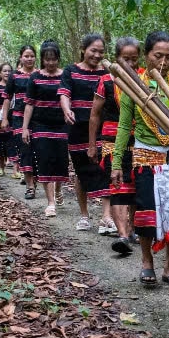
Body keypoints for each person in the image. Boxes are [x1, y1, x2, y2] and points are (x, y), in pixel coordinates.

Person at [113, 31, 169, 287]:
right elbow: (124, 127)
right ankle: (147, 263)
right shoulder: (133, 87)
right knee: (146, 212)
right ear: (146, 56)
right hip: (145, 157)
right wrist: (116, 163)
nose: (163, 62)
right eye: (158, 56)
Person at [91, 37, 139, 254]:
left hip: (139, 140)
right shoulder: (106, 81)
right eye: (124, 59)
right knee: (118, 185)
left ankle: (132, 230)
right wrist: (92, 144)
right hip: (112, 141)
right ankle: (122, 234)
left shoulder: (144, 80)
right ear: (117, 58)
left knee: (136, 186)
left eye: (133, 59)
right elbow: (95, 114)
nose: (129, 63)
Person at [60, 34, 111, 231]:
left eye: (101, 51)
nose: (97, 55)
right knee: (81, 171)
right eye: (93, 50)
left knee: (105, 167)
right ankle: (84, 215)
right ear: (83, 49)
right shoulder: (71, 70)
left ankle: (106, 217)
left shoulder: (106, 71)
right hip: (77, 128)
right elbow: (65, 93)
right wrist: (66, 109)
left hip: (102, 128)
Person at [22, 40, 69, 217]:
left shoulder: (65, 76)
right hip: (40, 124)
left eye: (54, 59)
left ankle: (58, 190)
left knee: (60, 160)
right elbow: (29, 104)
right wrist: (25, 128)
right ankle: (50, 203)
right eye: (47, 59)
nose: (50, 63)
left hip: (61, 125)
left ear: (58, 59)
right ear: (42, 60)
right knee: (44, 160)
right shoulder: (35, 77)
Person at [8, 45, 37, 197]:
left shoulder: (40, 74)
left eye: (32, 56)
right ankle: (30, 186)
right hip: (19, 117)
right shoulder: (14, 76)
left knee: (38, 151)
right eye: (26, 56)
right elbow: (7, 98)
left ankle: (36, 180)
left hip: (38, 118)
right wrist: (4, 118)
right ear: (21, 58)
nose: (29, 58)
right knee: (25, 150)